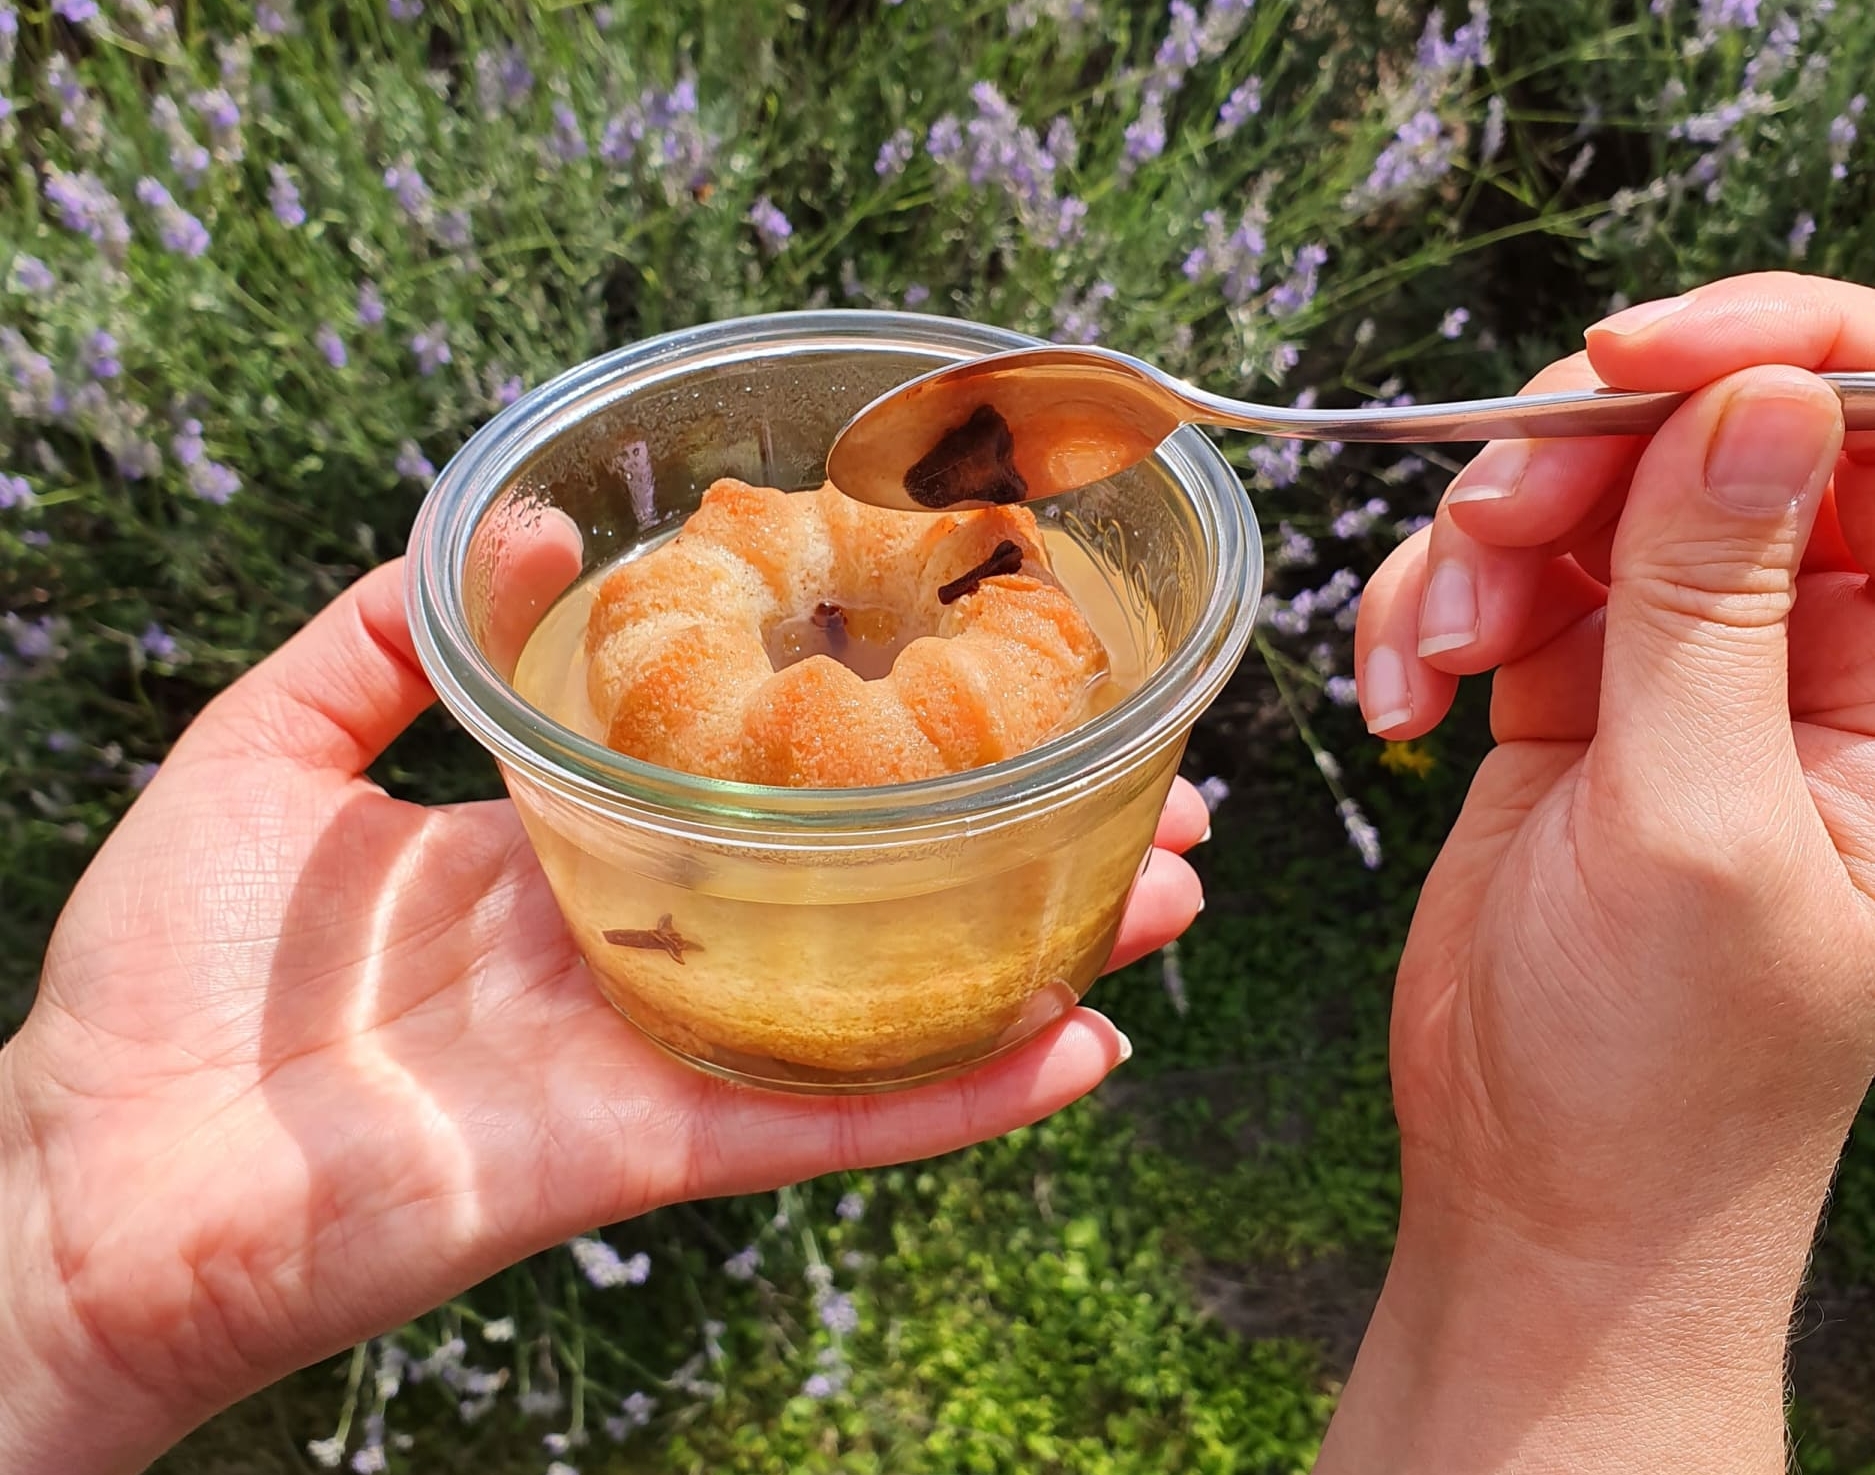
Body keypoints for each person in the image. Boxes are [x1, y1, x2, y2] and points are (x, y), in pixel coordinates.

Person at [0, 270, 1869, 1473]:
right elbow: (691, 641)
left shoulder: (1029, 599)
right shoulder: (678, 601)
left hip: (973, 752)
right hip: (699, 793)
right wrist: (59, 1273)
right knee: (751, 692)